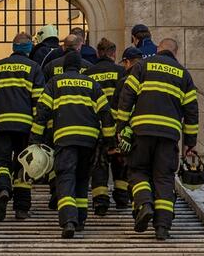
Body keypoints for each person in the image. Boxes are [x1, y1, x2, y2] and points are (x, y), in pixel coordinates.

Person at [116, 38, 198, 241]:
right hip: (169, 135)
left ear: (158, 49)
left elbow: (127, 95)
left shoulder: (142, 66)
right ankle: (162, 227)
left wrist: (122, 125)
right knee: (164, 178)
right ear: (175, 52)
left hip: (142, 131)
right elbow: (191, 111)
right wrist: (190, 142)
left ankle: (145, 204)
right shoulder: (183, 74)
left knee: (138, 170)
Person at [30, 51, 115, 238]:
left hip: (64, 138)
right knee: (83, 178)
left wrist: (35, 139)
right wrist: (109, 140)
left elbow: (42, 112)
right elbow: (105, 113)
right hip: (89, 140)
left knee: (66, 177)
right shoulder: (92, 84)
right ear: (81, 67)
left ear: (64, 65)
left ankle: (69, 220)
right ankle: (81, 219)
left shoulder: (54, 83)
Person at [0, 32, 44, 221]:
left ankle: (2, 190)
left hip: (0, 124)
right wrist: (38, 130)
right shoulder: (34, 68)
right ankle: (21, 208)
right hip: (25, 126)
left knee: (1, 161)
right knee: (24, 164)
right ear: (28, 49)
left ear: (13, 48)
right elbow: (38, 102)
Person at [84, 38, 126, 215]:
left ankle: (100, 201)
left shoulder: (88, 74)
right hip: (118, 125)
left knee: (99, 164)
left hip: (96, 126)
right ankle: (122, 198)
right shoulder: (121, 72)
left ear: (98, 53)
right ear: (114, 53)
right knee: (120, 161)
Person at [110, 47, 143, 209]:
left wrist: (119, 131)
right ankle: (139, 204)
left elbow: (117, 109)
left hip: (128, 132)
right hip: (145, 131)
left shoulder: (124, 81)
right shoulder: (149, 79)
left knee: (130, 168)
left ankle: (129, 201)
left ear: (127, 62)